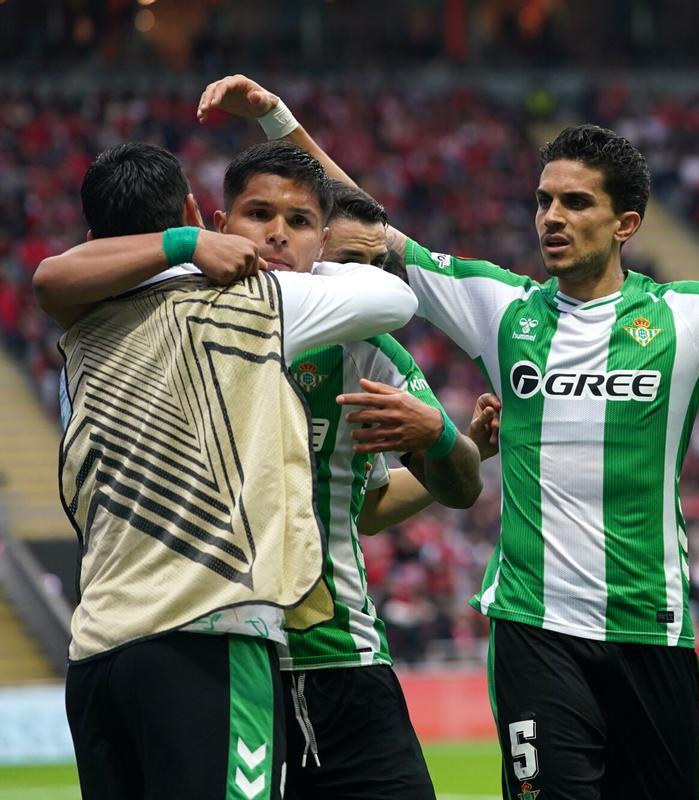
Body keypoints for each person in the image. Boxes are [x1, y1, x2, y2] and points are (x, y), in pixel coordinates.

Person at [198, 73, 699, 800]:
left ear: (627, 223)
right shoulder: (503, 308)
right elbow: (360, 222)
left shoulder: (689, 314)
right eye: (544, 200)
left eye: (576, 202)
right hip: (535, 631)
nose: (551, 216)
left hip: (657, 632)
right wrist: (276, 118)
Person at [43, 140, 493, 800]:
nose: (278, 234)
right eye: (259, 216)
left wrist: (452, 439)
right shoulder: (253, 307)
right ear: (214, 223)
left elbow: (385, 501)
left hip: (335, 658)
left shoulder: (360, 350)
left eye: (301, 223)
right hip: (223, 648)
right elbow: (389, 293)